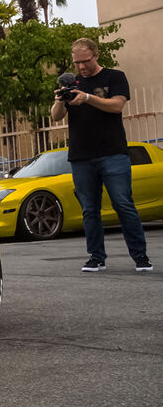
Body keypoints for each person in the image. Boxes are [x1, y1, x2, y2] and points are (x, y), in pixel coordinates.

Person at [51, 37, 152, 273]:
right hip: (81, 156)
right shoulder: (71, 82)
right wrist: (59, 100)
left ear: (96, 55)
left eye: (85, 61)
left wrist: (86, 97)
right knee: (89, 209)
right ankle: (96, 258)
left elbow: (117, 105)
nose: (81, 67)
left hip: (112, 153)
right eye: (77, 62)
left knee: (123, 204)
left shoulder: (115, 77)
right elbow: (56, 116)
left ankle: (141, 257)